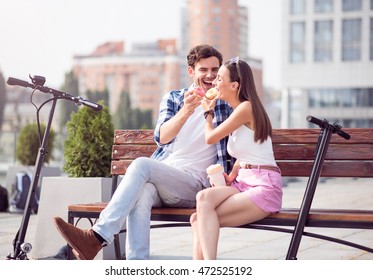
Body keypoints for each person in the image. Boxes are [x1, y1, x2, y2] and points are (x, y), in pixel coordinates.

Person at [53, 44, 233, 260]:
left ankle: (96, 237)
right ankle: (137, 265)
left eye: (215, 70)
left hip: (196, 186)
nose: (210, 75)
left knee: (141, 164)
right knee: (143, 193)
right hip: (166, 179)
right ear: (191, 71)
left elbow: (246, 134)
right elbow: (162, 137)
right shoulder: (175, 99)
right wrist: (186, 111)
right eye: (204, 70)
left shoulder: (226, 103)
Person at [190, 57, 282, 260]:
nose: (214, 82)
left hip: (263, 187)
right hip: (244, 183)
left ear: (234, 85)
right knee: (200, 210)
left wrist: (208, 113)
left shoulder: (245, 108)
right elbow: (247, 151)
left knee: (201, 215)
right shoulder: (240, 110)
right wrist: (232, 174)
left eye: (219, 78)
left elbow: (210, 138)